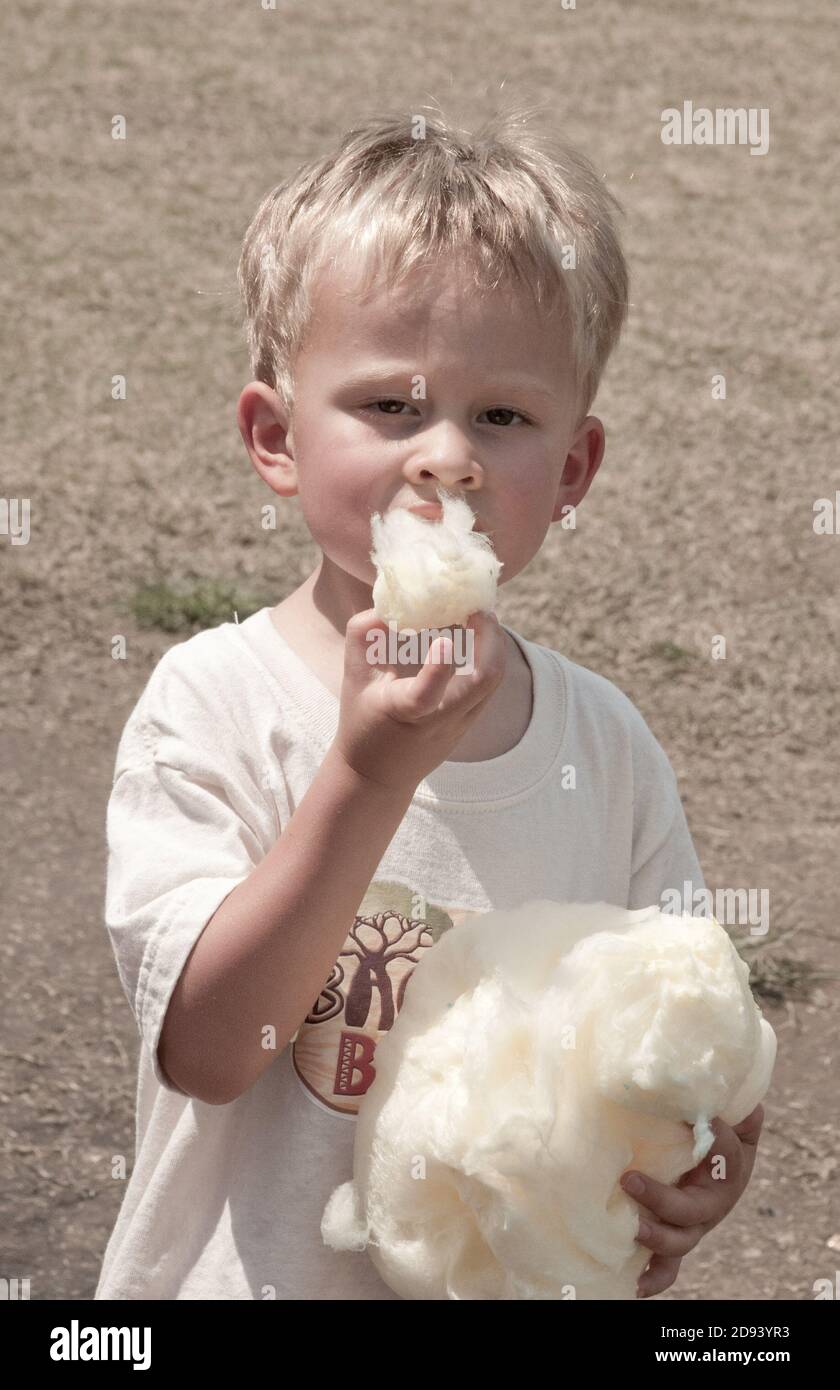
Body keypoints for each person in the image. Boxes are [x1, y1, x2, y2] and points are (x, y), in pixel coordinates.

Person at [94, 106, 763, 1301]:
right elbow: (211, 1051)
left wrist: (711, 1157)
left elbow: (692, 1031)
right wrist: (367, 775)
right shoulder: (213, 706)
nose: (445, 456)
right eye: (391, 405)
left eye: (500, 416)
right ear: (275, 435)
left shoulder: (603, 749)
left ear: (570, 472)